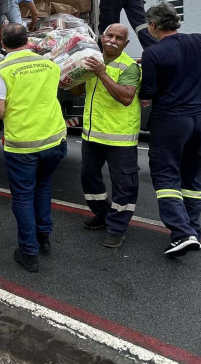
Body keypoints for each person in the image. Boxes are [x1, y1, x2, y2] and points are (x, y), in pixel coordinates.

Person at [139, 3, 201, 257]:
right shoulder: (199, 41)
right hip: (198, 119)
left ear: (152, 26)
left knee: (165, 175)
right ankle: (193, 229)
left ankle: (181, 234)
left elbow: (148, 92)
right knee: (192, 175)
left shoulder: (153, 53)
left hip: (171, 120)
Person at [0, 23, 67, 273]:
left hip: (23, 145)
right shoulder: (50, 64)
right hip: (54, 140)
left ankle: (28, 252)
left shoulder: (1, 69)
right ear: (28, 40)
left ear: (2, 44)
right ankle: (44, 238)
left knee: (23, 197)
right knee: (43, 186)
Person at [77, 23, 142, 248]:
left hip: (119, 137)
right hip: (92, 135)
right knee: (88, 178)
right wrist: (73, 71)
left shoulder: (129, 67)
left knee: (124, 184)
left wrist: (102, 73)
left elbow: (125, 97)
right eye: (109, 36)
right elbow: (76, 90)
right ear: (102, 38)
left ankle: (117, 227)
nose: (112, 40)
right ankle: (103, 215)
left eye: (119, 38)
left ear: (126, 43)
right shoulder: (92, 60)